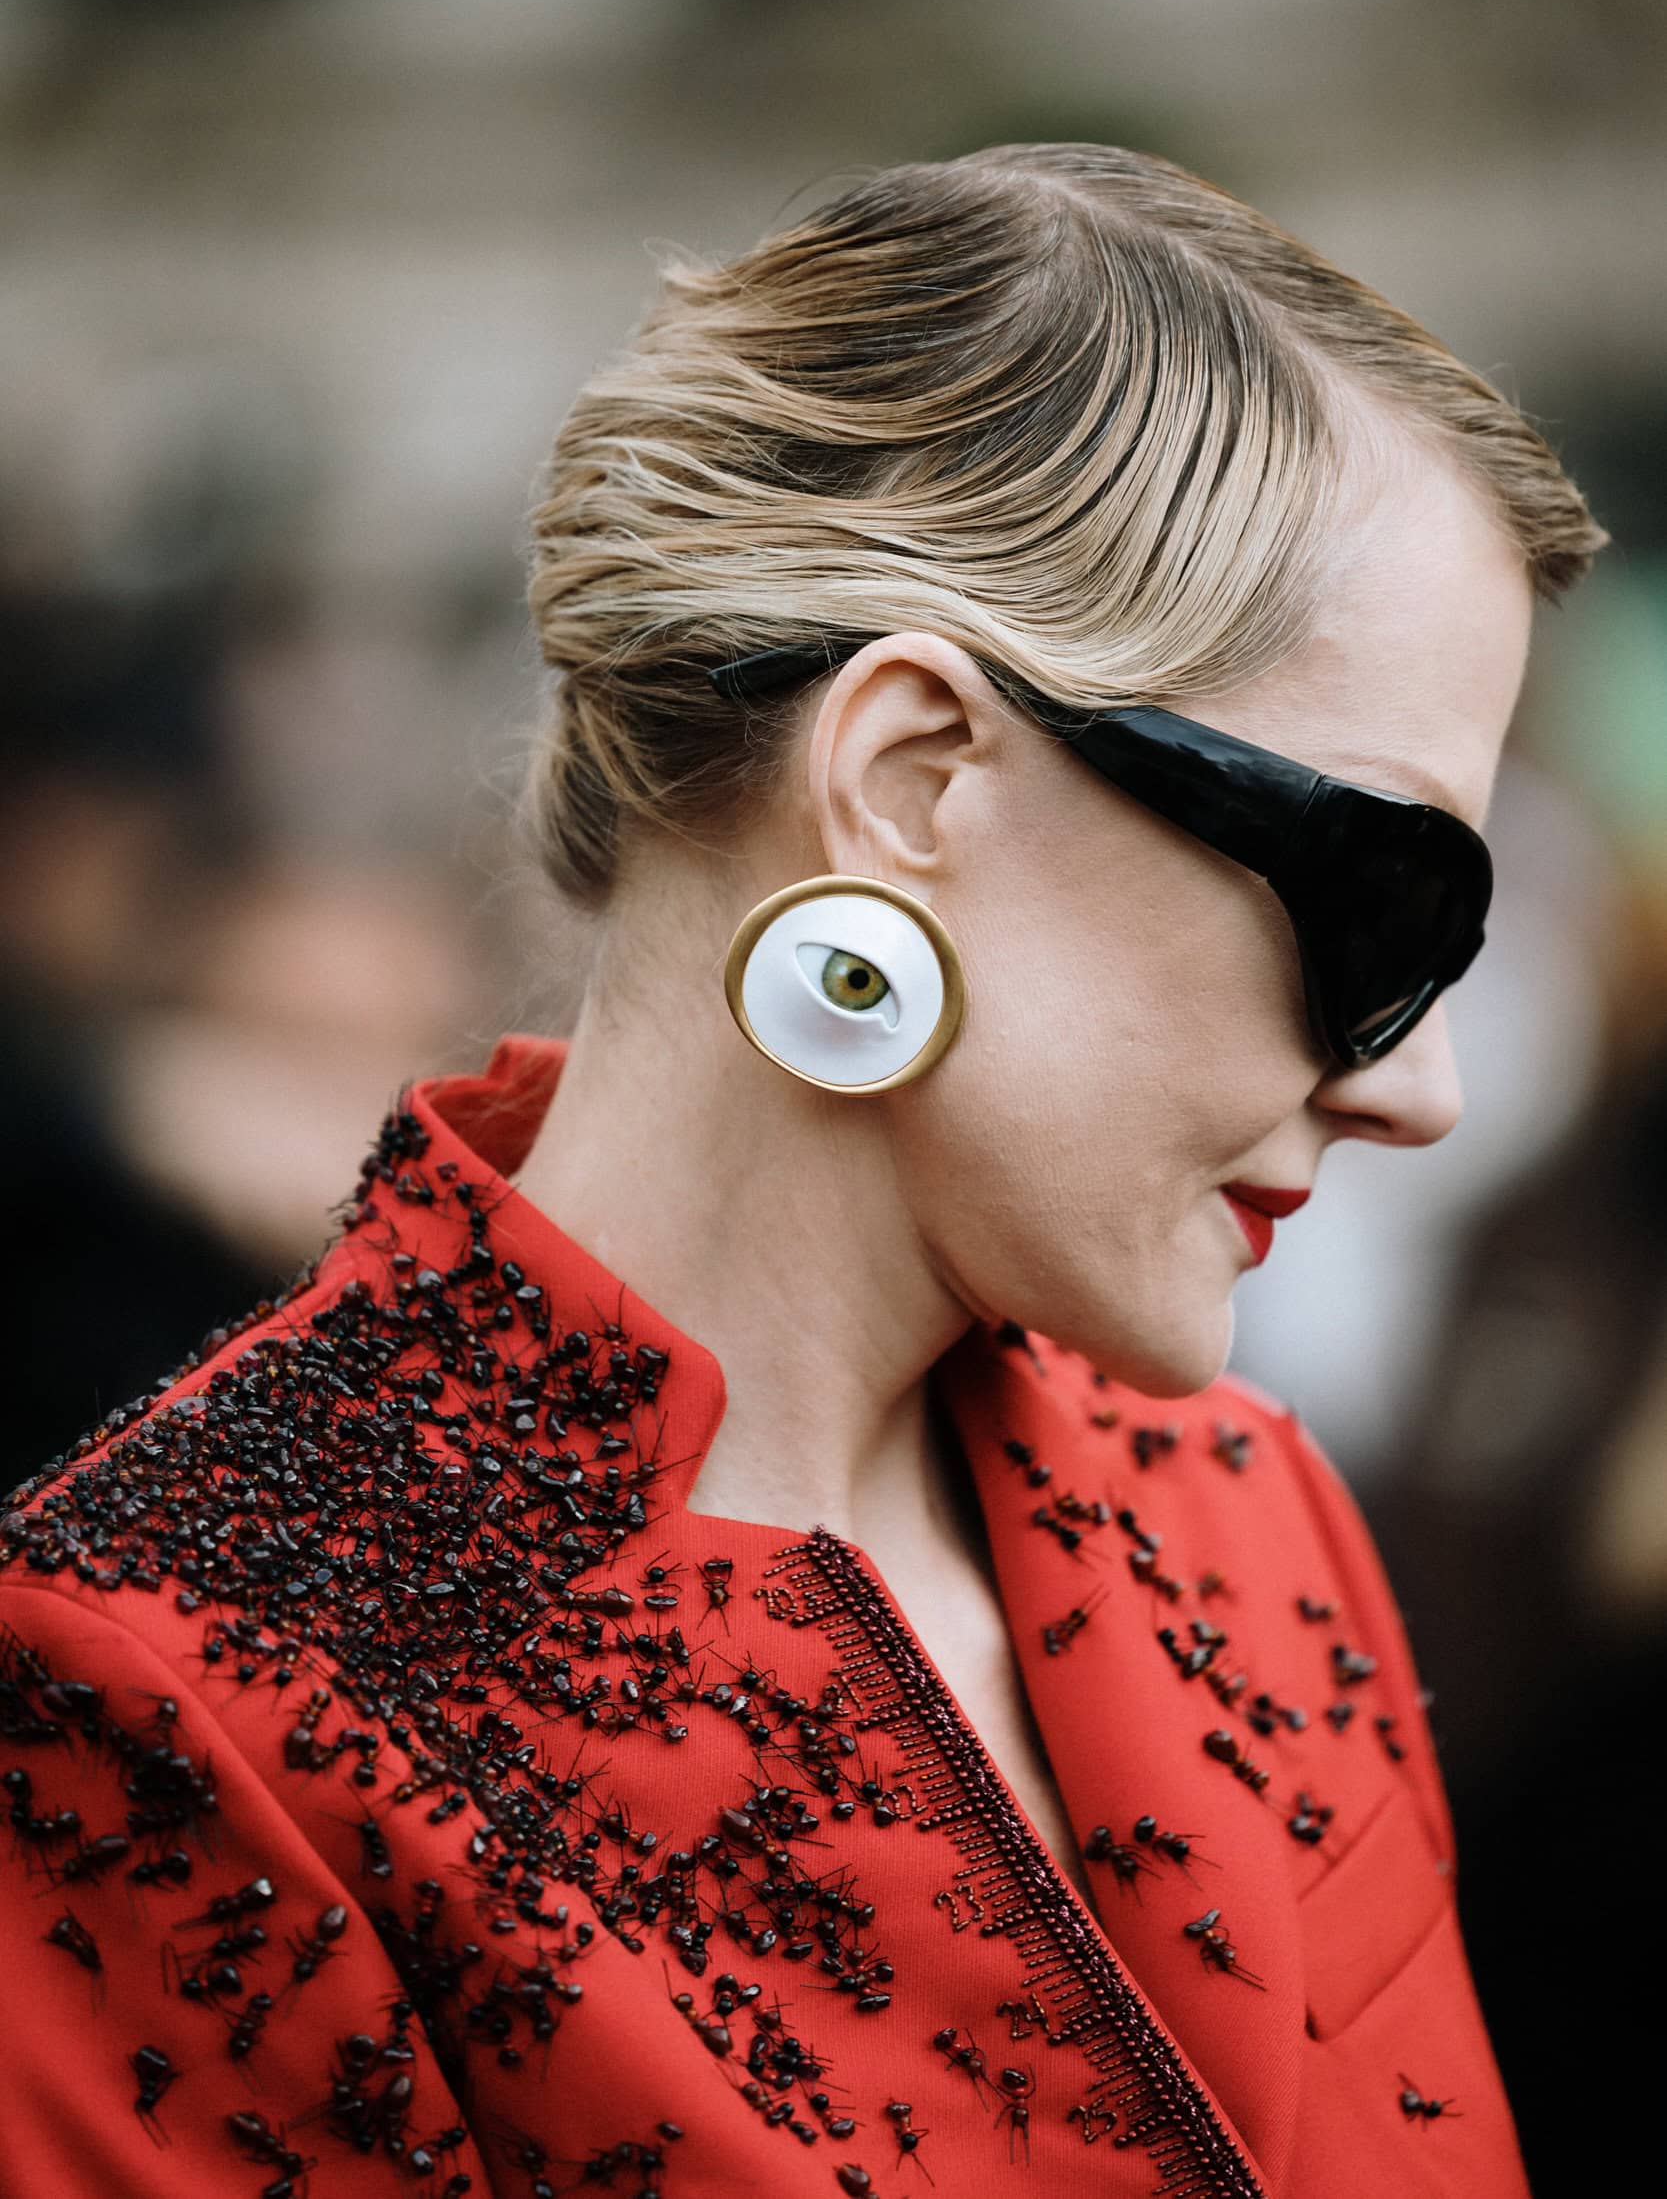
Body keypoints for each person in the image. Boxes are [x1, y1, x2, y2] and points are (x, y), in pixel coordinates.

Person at [0, 146, 1605, 2197]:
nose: (1423, 1088)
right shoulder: (176, 1695)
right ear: (912, 776)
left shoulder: (1243, 1505)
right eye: (1387, 906)